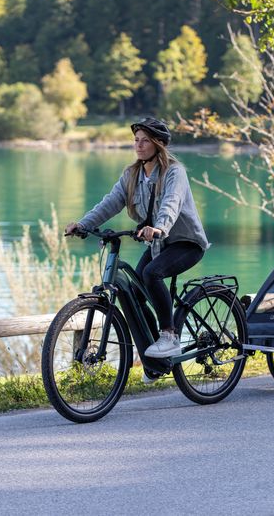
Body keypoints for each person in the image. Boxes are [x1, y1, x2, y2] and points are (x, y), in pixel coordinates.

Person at [65, 117, 209, 365]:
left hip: (186, 243)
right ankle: (156, 360)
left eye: (145, 141)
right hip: (158, 246)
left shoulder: (175, 172)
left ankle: (169, 336)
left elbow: (171, 204)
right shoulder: (132, 174)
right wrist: (84, 224)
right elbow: (110, 203)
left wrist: (159, 228)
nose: (139, 146)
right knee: (133, 294)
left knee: (151, 273)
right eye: (136, 140)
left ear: (158, 144)